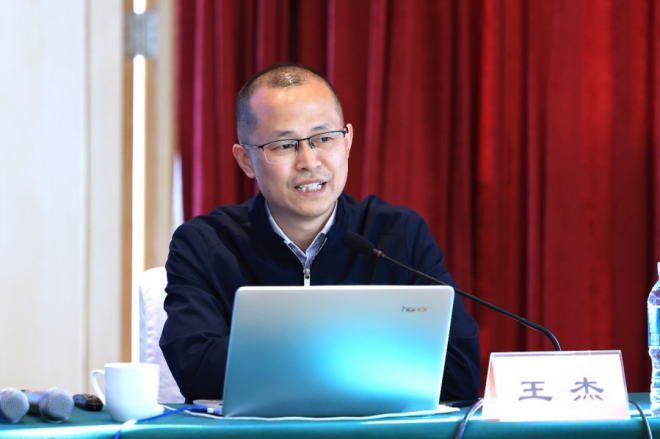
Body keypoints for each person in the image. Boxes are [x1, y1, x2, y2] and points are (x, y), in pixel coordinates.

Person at [160, 63, 481, 403]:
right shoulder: (203, 245)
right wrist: (366, 358)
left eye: (324, 139)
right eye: (284, 145)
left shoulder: (398, 235)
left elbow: (458, 373)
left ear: (347, 142)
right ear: (245, 161)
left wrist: (282, 358)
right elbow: (198, 371)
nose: (309, 162)